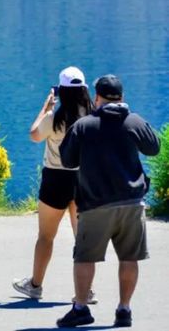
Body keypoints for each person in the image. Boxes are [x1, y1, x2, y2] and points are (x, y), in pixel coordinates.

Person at [56, 74, 159, 328]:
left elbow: (67, 161)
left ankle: (80, 308)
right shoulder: (133, 121)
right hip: (131, 203)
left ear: (97, 98)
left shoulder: (84, 126)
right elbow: (153, 147)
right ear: (122, 97)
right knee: (129, 257)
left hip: (95, 204)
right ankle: (124, 310)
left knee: (84, 257)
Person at [13, 66, 96, 303]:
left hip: (55, 179)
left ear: (62, 92)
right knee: (83, 239)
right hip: (84, 179)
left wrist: (46, 106)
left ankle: (36, 285)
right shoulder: (92, 117)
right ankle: (85, 291)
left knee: (46, 236)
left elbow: (34, 135)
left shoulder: (54, 119)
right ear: (84, 91)